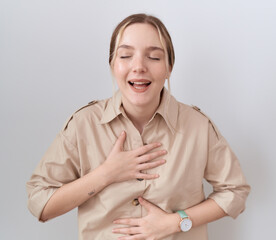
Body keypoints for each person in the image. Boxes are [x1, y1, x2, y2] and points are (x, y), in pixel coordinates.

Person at [26, 13, 250, 240]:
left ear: (169, 67)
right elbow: (39, 203)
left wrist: (176, 221)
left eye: (153, 57)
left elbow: (235, 191)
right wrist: (106, 174)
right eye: (125, 55)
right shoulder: (83, 125)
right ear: (113, 65)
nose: (139, 66)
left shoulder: (198, 127)